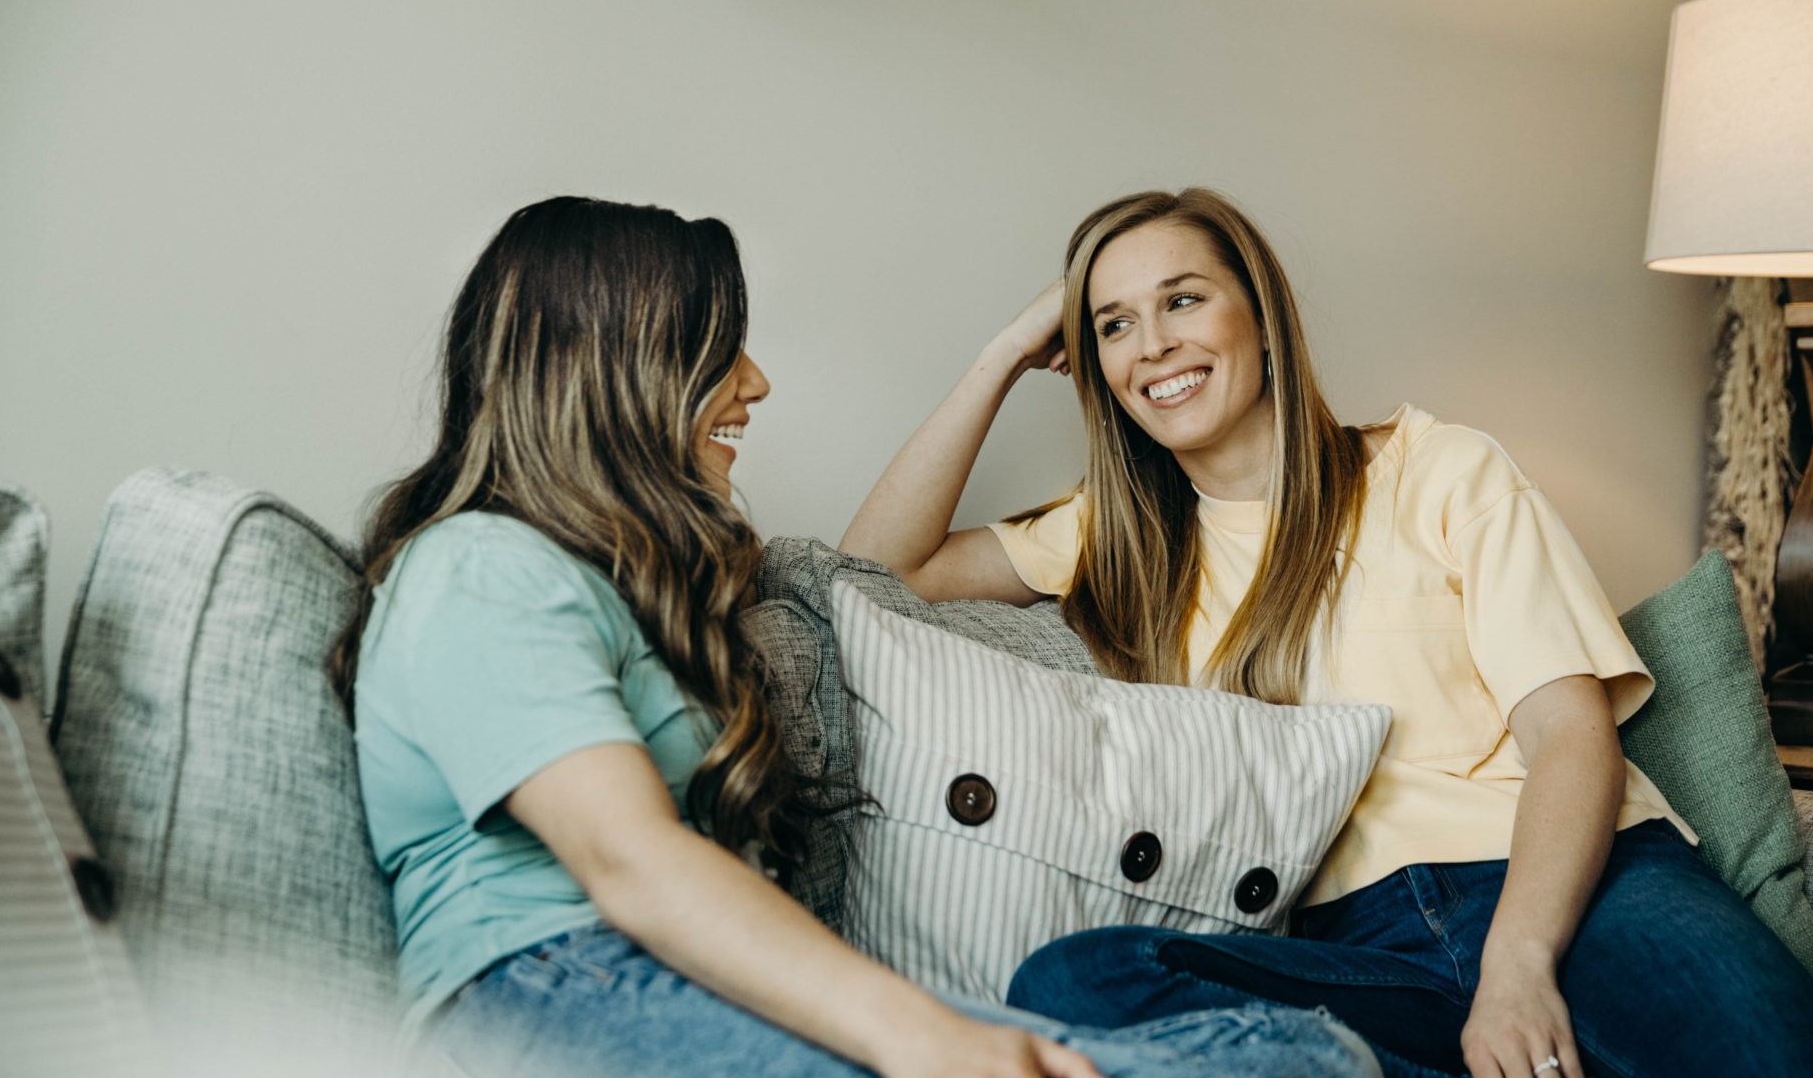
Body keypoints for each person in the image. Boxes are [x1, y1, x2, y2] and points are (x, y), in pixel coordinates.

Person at [328, 196, 1380, 1078]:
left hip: (665, 971)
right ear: (616, 366)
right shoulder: (477, 564)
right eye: (716, 348)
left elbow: (857, 590)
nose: (756, 382)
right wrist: (929, 1036)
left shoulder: (612, 588)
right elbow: (630, 860)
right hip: (557, 985)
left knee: (1302, 1052)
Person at [841, 188, 1813, 1078]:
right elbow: (871, 573)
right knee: (1072, 976)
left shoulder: (1438, 468)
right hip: (1352, 946)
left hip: (1584, 885)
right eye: (1110, 323)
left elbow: (1570, 734)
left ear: (1263, 316)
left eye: (1182, 299)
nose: (1150, 343)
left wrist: (1517, 965)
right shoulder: (1118, 539)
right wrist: (1006, 351)